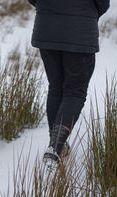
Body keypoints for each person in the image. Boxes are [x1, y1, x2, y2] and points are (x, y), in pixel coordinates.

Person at [28, 0, 110, 166]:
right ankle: (56, 146)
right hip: (80, 31)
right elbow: (102, 3)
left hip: (47, 29)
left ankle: (57, 145)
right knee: (74, 91)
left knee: (56, 86)